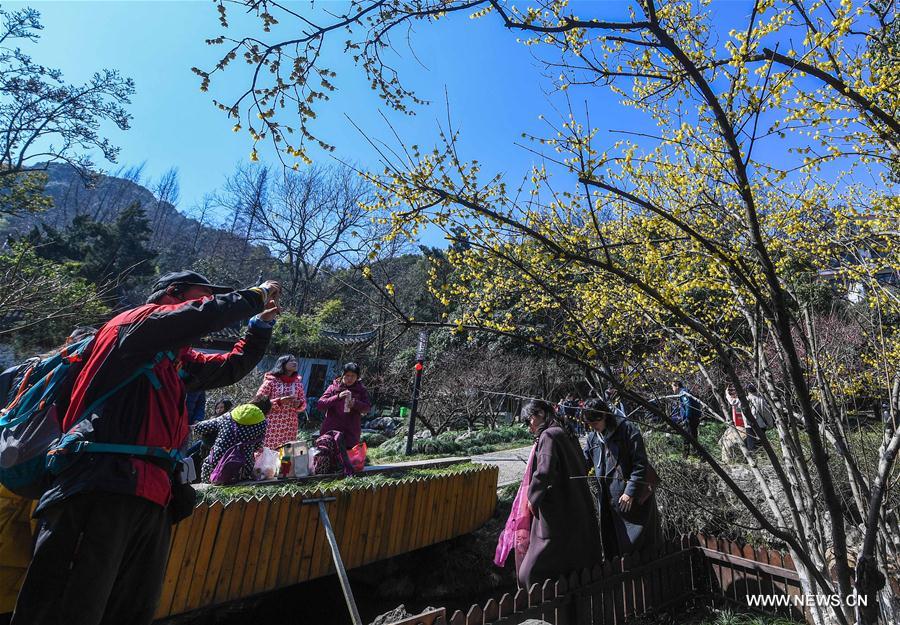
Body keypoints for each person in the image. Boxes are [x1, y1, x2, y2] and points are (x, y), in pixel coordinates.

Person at [12, 270, 281, 625]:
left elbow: (228, 368)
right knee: (71, 606)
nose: (207, 304)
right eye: (201, 296)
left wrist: (258, 329)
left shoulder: (173, 357)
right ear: (172, 294)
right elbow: (202, 314)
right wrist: (255, 294)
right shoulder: (133, 325)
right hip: (100, 484)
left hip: (152, 494)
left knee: (131, 609)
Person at [515, 400, 601, 588]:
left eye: (529, 420)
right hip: (576, 503)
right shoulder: (566, 432)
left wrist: (532, 498)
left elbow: (544, 472)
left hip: (558, 507)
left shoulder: (549, 435)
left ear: (540, 414)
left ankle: (537, 605)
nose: (529, 427)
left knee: (530, 572)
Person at [583, 398, 660, 559]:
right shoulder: (593, 437)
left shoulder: (628, 430)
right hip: (608, 504)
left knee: (638, 549)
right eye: (589, 424)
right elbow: (584, 462)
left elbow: (640, 464)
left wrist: (630, 491)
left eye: (595, 422)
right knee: (614, 549)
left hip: (633, 503)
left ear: (605, 416)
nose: (593, 427)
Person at [193, 395, 271, 483]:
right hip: (241, 471)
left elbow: (199, 428)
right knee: (249, 462)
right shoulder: (262, 423)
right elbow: (258, 446)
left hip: (214, 469)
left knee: (208, 462)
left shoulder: (228, 416)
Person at [257, 354, 307, 450]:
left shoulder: (297, 383)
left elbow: (304, 404)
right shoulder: (271, 381)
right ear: (282, 364)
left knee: (286, 453)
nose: (295, 363)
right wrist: (279, 401)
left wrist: (299, 404)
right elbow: (259, 402)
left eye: (295, 361)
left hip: (290, 424)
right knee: (268, 452)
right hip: (272, 424)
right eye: (291, 361)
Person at [316, 363, 371, 448]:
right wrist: (337, 397)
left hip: (351, 433)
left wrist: (355, 404)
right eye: (347, 375)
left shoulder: (361, 390)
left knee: (347, 459)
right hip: (331, 431)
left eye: (353, 376)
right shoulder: (333, 388)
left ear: (357, 377)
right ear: (342, 375)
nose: (349, 378)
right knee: (328, 458)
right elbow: (320, 405)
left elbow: (367, 408)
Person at [670, 380, 700, 456]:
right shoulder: (685, 391)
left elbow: (688, 405)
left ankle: (686, 455)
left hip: (691, 418)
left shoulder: (683, 393)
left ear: (677, 386)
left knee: (686, 436)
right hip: (694, 417)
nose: (672, 389)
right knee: (693, 436)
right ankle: (697, 454)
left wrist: (687, 418)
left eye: (673, 387)